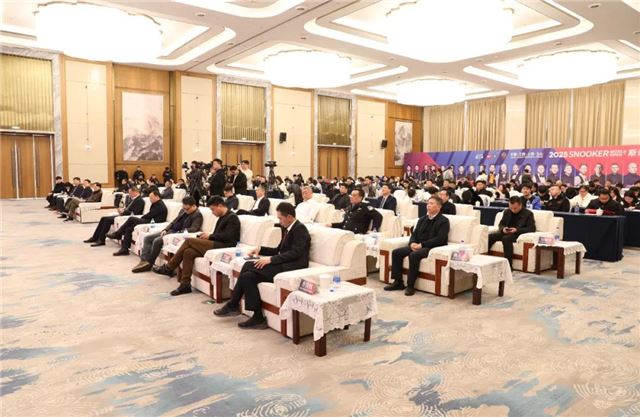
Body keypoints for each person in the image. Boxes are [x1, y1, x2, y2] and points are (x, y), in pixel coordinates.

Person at [214, 202, 311, 328]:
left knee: (248, 265)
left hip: (292, 267)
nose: (279, 221)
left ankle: (233, 304)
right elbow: (278, 250)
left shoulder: (300, 229)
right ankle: (258, 317)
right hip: (283, 263)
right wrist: (260, 249)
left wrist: (271, 260)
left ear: (289, 217)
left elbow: (295, 253)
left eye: (280, 218)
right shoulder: (288, 228)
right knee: (248, 276)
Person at [154, 196, 241, 296]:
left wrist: (210, 236)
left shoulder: (232, 217)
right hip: (217, 242)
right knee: (188, 252)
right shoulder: (222, 217)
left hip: (225, 246)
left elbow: (228, 236)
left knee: (189, 241)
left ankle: (169, 267)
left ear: (220, 206)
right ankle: (185, 284)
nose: (212, 213)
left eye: (213, 209)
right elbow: (218, 234)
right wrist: (207, 236)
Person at [384, 196, 450, 296]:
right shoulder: (422, 219)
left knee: (414, 255)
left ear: (439, 206)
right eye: (428, 203)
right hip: (418, 245)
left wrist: (422, 245)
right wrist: (412, 243)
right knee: (396, 252)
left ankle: (410, 285)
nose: (428, 206)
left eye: (431, 203)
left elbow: (440, 239)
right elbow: (414, 234)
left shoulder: (443, 221)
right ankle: (398, 282)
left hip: (431, 247)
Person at [132, 196, 203, 273]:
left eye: (187, 209)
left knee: (157, 241)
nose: (185, 211)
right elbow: (173, 222)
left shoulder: (197, 215)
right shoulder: (183, 210)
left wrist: (179, 232)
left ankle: (149, 263)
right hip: (170, 231)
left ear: (193, 206)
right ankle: (143, 261)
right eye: (184, 208)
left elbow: (194, 229)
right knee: (148, 238)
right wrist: (165, 229)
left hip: (176, 234)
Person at [107, 190, 168, 256]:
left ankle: (118, 233)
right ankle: (124, 249)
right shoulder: (156, 203)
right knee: (129, 229)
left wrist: (141, 218)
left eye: (151, 198)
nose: (150, 199)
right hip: (149, 220)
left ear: (157, 197)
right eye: (150, 198)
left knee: (131, 219)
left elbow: (150, 214)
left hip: (153, 222)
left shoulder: (160, 205)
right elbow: (150, 214)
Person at [488, 196, 536, 269]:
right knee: (490, 236)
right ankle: (486, 259)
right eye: (511, 208)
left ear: (520, 205)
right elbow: (501, 223)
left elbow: (531, 228)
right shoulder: (507, 211)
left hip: (518, 234)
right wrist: (503, 229)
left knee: (506, 239)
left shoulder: (528, 214)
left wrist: (517, 230)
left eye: (515, 208)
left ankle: (508, 266)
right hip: (506, 232)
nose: (513, 210)